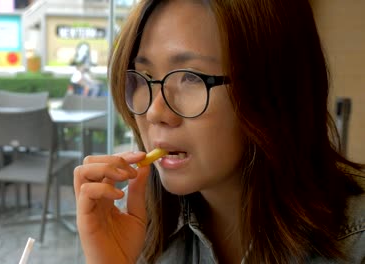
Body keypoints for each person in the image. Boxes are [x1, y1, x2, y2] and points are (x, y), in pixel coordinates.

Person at [73, 0, 365, 263]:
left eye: (191, 77)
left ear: (273, 88)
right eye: (146, 77)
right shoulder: (134, 225)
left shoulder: (356, 243)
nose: (154, 112)